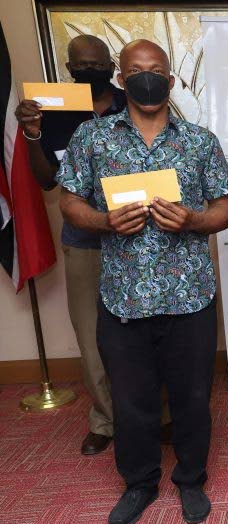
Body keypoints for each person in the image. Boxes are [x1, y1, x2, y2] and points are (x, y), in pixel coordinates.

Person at [57, 39, 228, 524]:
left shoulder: (200, 141)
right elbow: (68, 201)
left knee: (193, 396)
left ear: (171, 80)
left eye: (156, 70)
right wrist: (103, 220)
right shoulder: (92, 138)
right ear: (120, 78)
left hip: (189, 296)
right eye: (136, 70)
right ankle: (139, 484)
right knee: (132, 400)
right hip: (123, 297)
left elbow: (224, 209)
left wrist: (194, 219)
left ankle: (192, 480)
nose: (147, 78)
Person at [14, 35, 126, 455]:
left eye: (97, 63)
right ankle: (105, 421)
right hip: (84, 241)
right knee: (91, 334)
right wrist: (31, 133)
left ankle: (159, 414)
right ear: (69, 66)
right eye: (81, 63)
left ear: (110, 65)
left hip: (137, 239)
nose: (89, 68)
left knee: (148, 331)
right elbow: (46, 179)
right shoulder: (55, 109)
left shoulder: (131, 101)